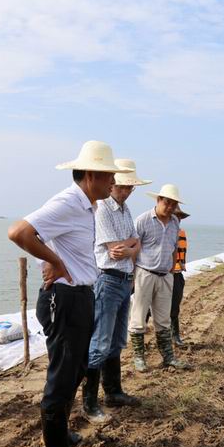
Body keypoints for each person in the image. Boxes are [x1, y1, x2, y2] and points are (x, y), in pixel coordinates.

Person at [8, 140, 131, 447]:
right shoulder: (67, 202)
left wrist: (55, 258)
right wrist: (55, 262)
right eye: (109, 176)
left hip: (81, 295)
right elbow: (19, 232)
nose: (113, 182)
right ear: (91, 175)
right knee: (62, 373)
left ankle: (60, 434)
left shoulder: (87, 207)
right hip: (63, 298)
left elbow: (47, 237)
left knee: (76, 368)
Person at [82, 158, 149, 423]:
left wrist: (130, 247)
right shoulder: (103, 209)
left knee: (118, 340)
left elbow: (134, 244)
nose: (127, 191)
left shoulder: (125, 209)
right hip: (108, 279)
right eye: (123, 186)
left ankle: (113, 392)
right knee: (100, 341)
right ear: (112, 184)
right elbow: (115, 249)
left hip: (123, 280)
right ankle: (90, 402)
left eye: (131, 187)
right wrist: (131, 246)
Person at [128, 184, 192, 372]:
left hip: (166, 276)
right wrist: (132, 275)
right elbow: (133, 248)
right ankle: (139, 357)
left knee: (164, 319)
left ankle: (168, 357)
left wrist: (172, 270)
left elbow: (173, 247)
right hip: (145, 273)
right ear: (158, 200)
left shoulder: (175, 222)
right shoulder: (143, 220)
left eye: (174, 204)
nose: (170, 207)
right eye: (167, 202)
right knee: (139, 317)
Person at [170, 207, 190, 346]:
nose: (177, 219)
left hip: (177, 274)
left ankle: (175, 335)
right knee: (149, 307)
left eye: (179, 217)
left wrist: (182, 265)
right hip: (161, 274)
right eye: (174, 216)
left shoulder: (181, 233)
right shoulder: (161, 231)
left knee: (174, 307)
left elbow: (182, 253)